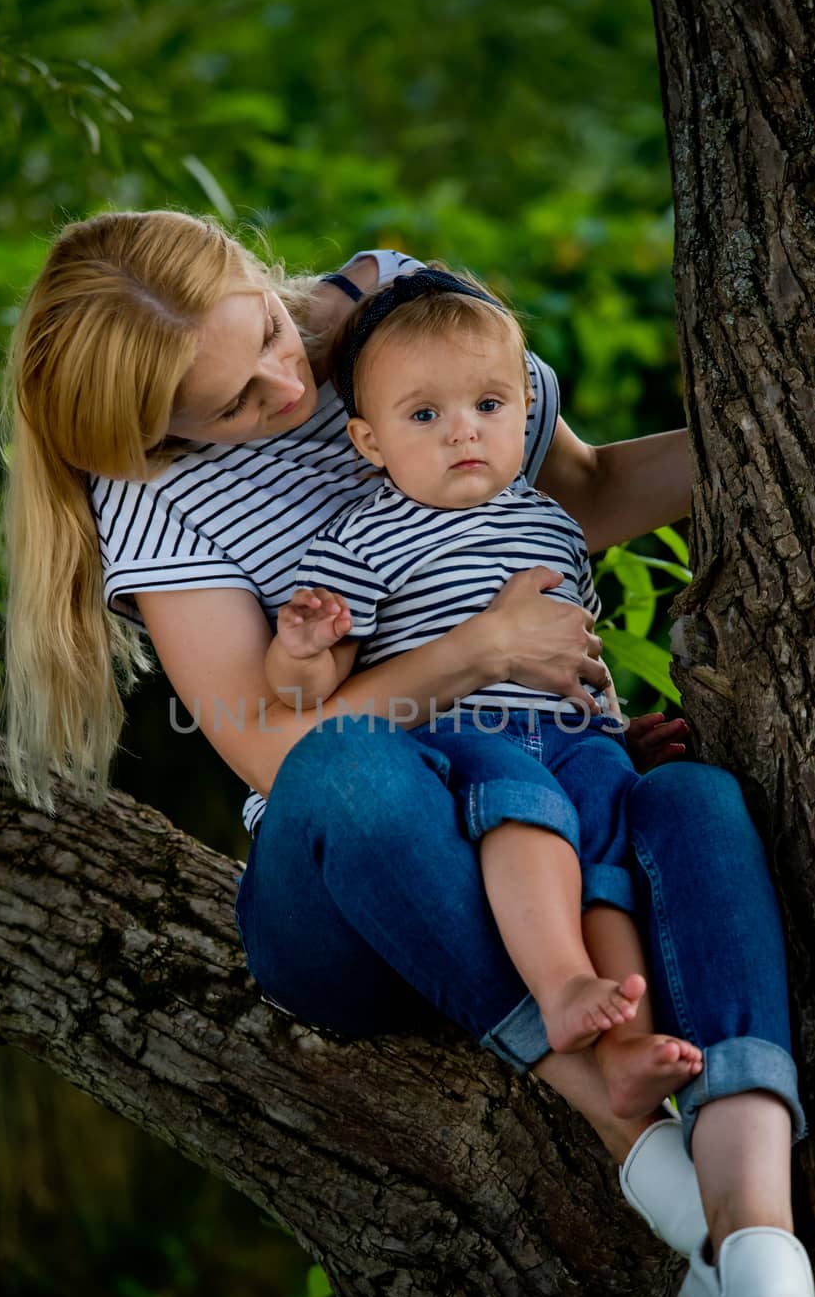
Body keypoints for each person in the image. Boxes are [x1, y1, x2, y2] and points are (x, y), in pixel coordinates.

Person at [0, 209, 815, 1297]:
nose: (284, 387)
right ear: (159, 434)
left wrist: (804, 427)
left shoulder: (403, 309)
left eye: (272, 341)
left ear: (254, 273)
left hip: (531, 785)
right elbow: (270, 751)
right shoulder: (150, 490)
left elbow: (583, 494)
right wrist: (487, 648)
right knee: (353, 764)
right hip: (358, 886)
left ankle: (758, 1249)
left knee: (694, 800)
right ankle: (616, 1118)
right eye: (235, 403)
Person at [264, 265, 705, 1122]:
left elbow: (580, 646)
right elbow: (301, 698)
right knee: (529, 809)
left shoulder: (550, 519)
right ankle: (560, 984)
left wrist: (611, 733)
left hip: (577, 740)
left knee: (608, 856)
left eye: (489, 406)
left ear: (527, 413)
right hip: (469, 737)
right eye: (425, 415)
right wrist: (301, 648)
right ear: (369, 442)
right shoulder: (364, 537)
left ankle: (627, 1048)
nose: (463, 432)